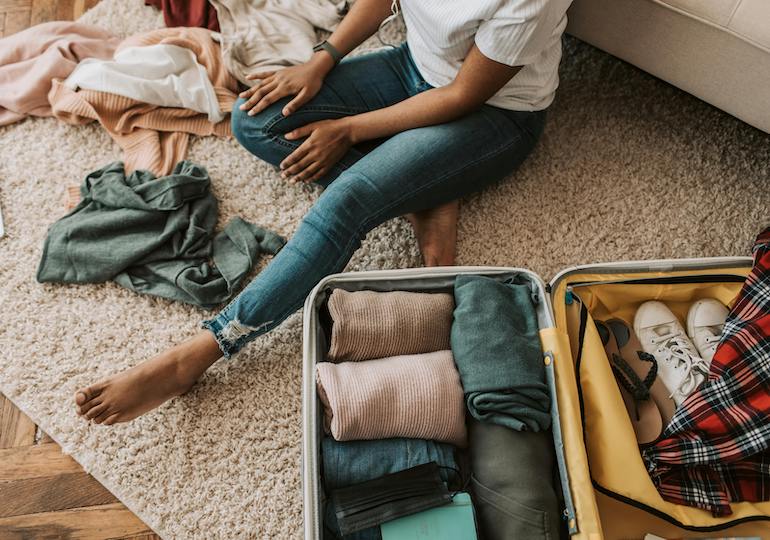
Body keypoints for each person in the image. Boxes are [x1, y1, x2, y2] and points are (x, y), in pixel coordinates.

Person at [74, 0, 572, 424]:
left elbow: (465, 93)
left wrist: (351, 130)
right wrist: (322, 59)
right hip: (412, 69)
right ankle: (429, 190)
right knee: (256, 119)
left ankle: (200, 353)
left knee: (350, 198)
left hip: (494, 115)